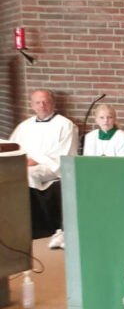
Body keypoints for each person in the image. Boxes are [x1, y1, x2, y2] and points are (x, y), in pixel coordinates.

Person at [8, 89, 79, 249]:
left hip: (50, 166)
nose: (42, 105)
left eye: (46, 102)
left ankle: (36, 226)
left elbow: (64, 153)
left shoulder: (65, 125)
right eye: (38, 102)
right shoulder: (24, 126)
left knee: (28, 175)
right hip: (25, 163)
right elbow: (12, 146)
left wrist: (34, 161)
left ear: (53, 104)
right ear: (32, 105)